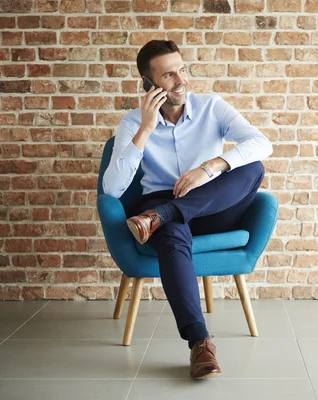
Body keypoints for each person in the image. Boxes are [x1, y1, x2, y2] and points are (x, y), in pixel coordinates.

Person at [102, 40, 273, 379]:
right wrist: (146, 128)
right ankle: (200, 343)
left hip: (210, 203)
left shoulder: (212, 107)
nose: (180, 80)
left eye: (182, 70)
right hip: (160, 209)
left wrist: (210, 167)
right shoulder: (133, 122)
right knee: (172, 235)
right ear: (149, 85)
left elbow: (262, 143)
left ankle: (164, 213)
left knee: (253, 168)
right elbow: (112, 189)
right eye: (168, 75)